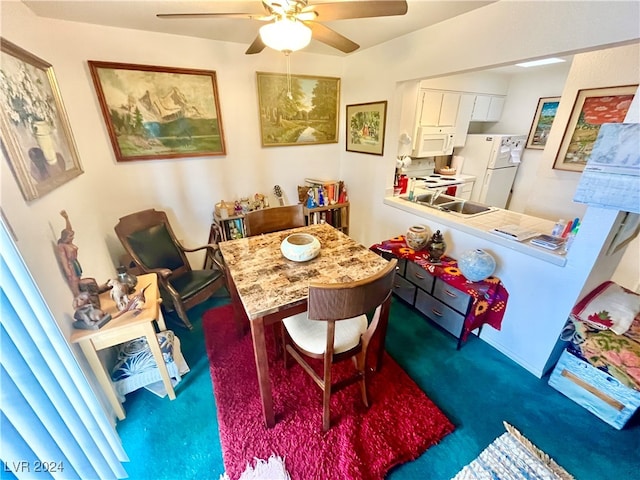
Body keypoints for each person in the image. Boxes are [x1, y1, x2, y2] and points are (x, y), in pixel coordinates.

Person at [57, 210, 82, 296]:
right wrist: (68, 272)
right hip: (70, 265)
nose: (72, 237)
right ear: (65, 237)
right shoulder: (62, 246)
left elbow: (69, 229)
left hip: (75, 263)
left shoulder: (69, 243)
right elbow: (63, 259)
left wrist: (66, 219)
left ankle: (83, 296)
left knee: (79, 281)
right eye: (70, 236)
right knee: (74, 282)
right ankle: (78, 296)